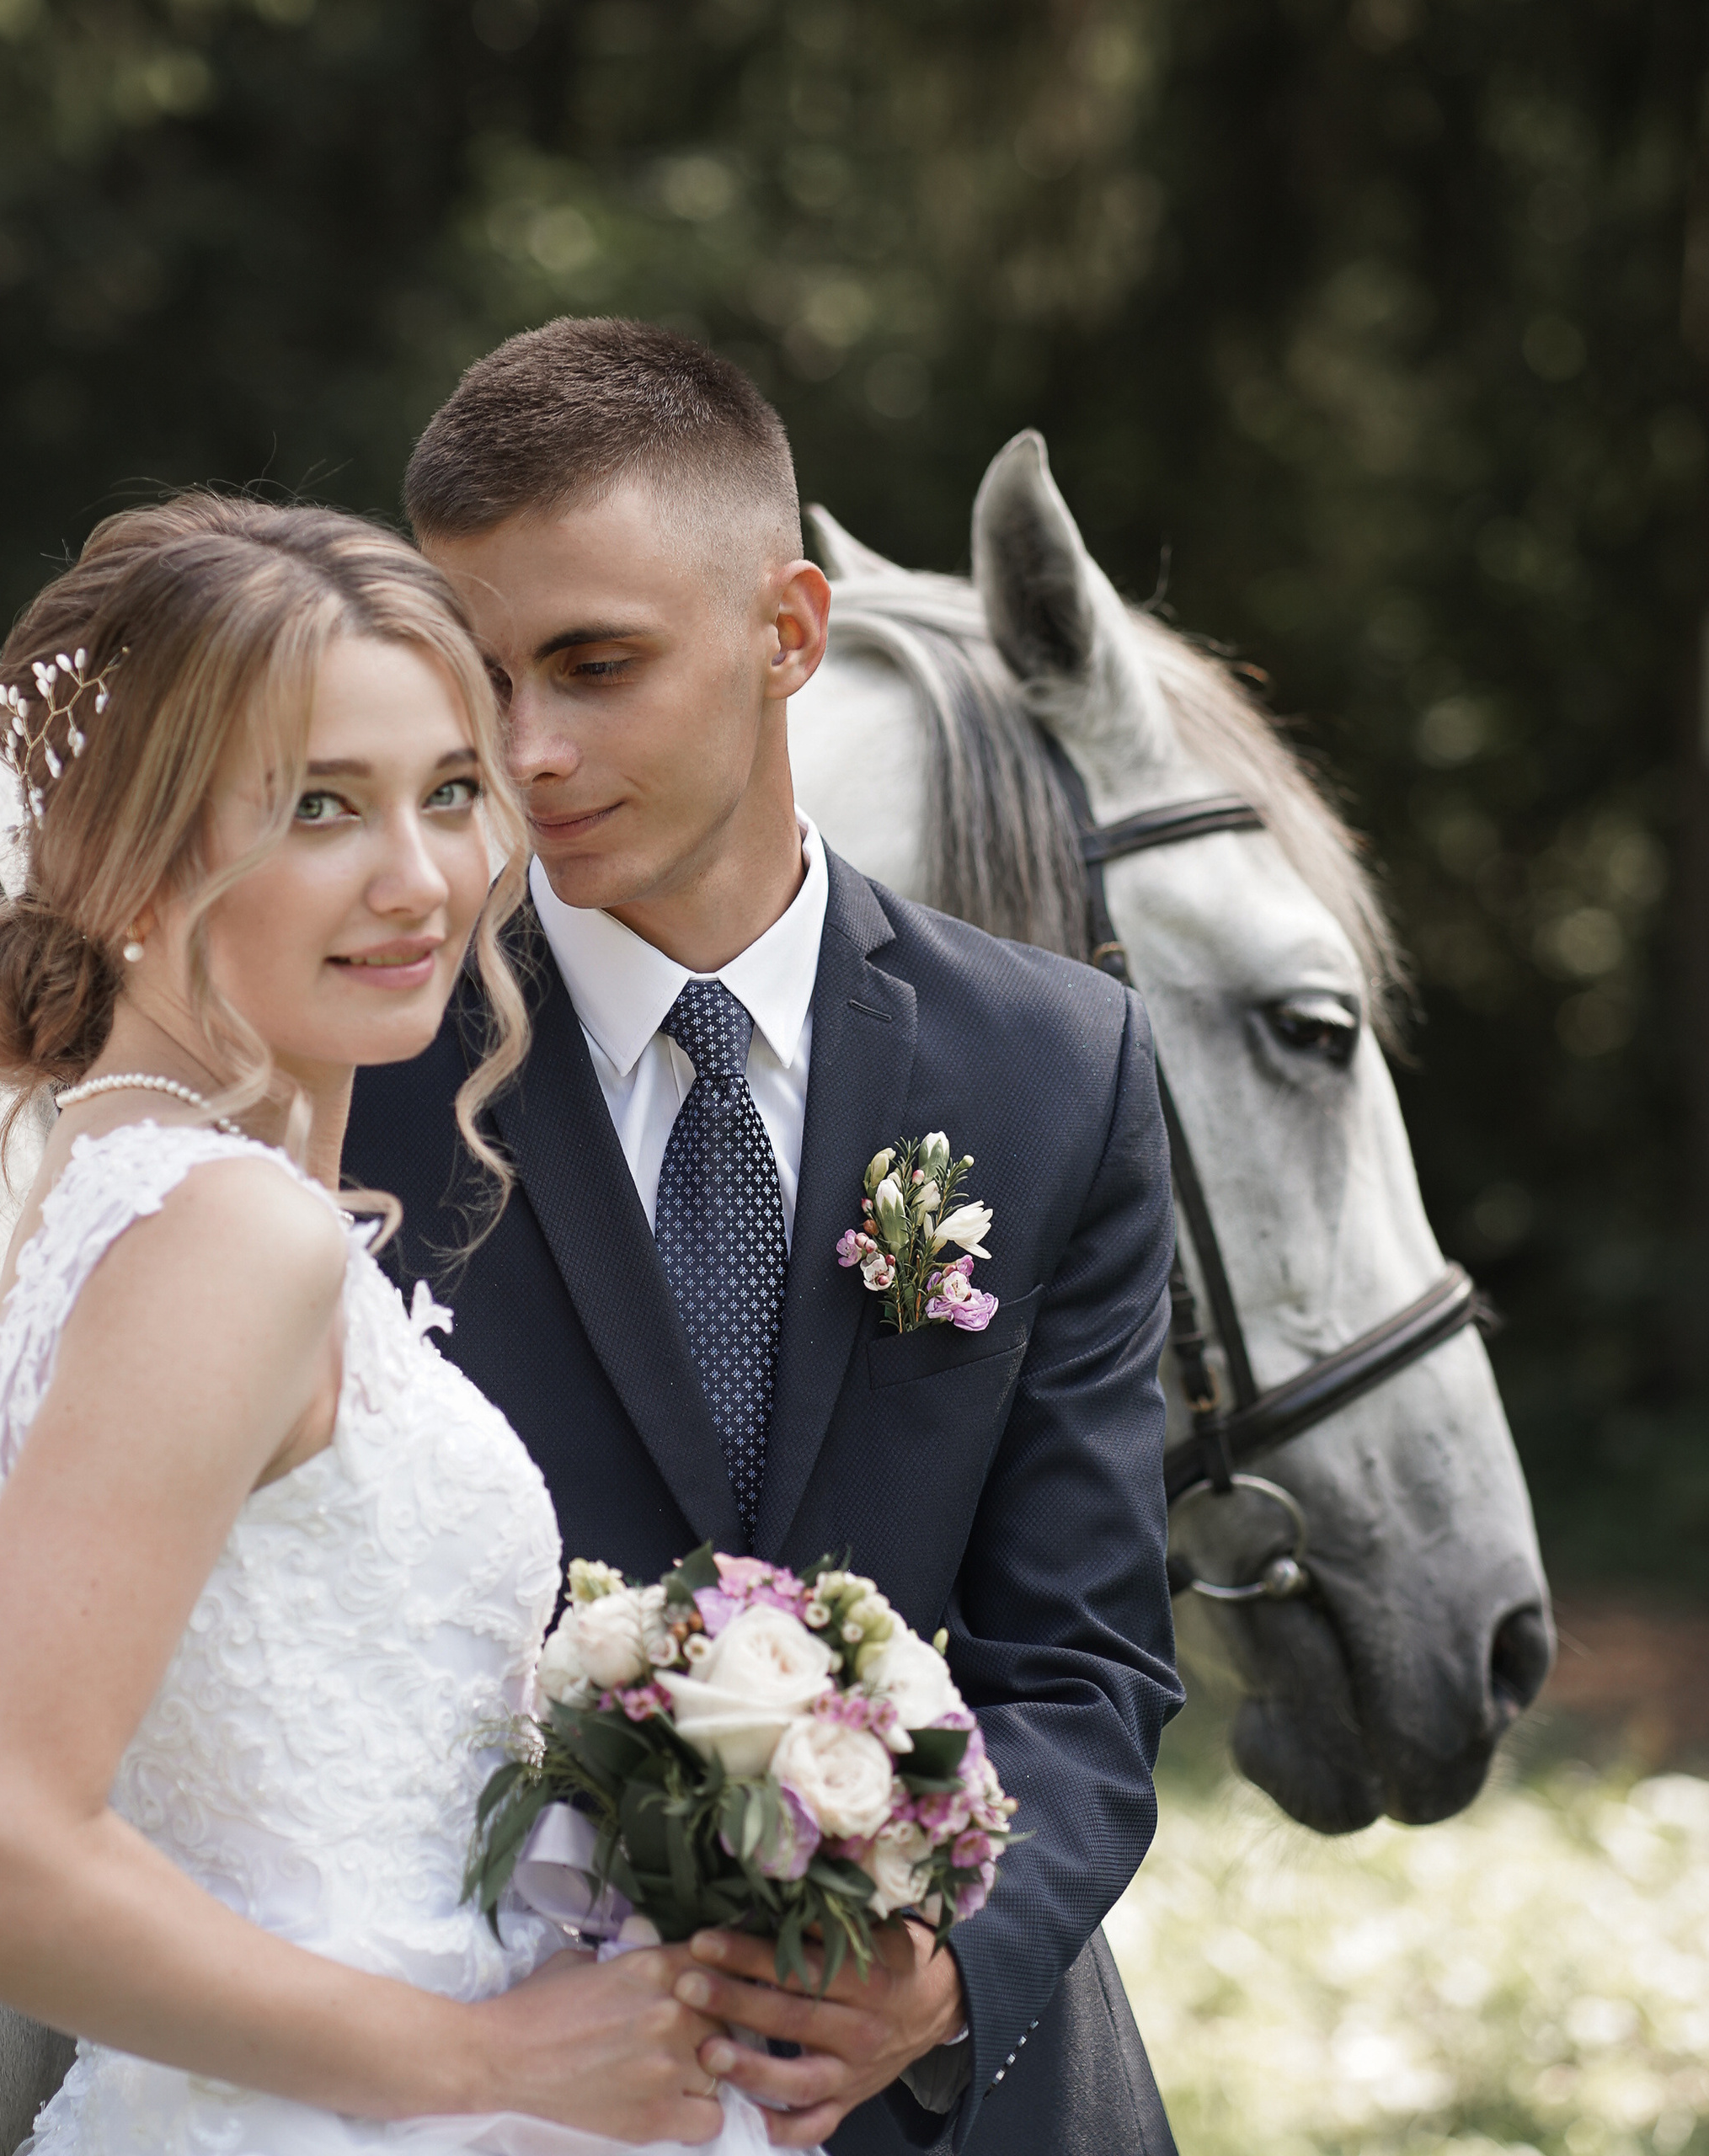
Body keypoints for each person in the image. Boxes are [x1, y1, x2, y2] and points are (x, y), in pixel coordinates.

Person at [344, 320, 1185, 2156]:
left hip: (970, 2098)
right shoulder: (362, 1075)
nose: (527, 752)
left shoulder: (1057, 1066)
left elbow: (1088, 1664)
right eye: (478, 680)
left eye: (593, 665)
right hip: (505, 2085)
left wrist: (948, 1969)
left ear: (786, 632)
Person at [0, 495, 749, 2154]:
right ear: (145, 845)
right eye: (321, 805)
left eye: (451, 793)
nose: (418, 880)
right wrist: (479, 2062)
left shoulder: (131, 1183)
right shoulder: (227, 1233)